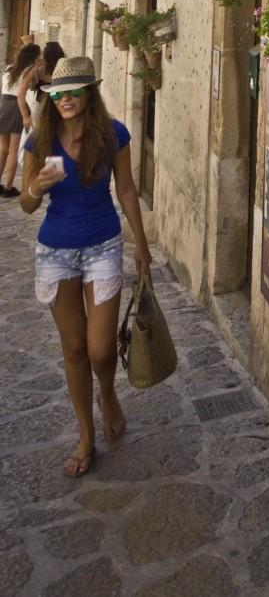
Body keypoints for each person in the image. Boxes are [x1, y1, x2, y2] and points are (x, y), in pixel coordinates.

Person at [21, 55, 152, 478]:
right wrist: (36, 187)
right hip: (55, 252)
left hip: (102, 245)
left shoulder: (113, 135)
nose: (65, 99)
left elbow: (127, 189)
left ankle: (107, 394)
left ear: (89, 93)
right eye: (57, 93)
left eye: (73, 91)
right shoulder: (39, 140)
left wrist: (140, 243)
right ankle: (85, 433)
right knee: (75, 348)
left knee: (101, 348)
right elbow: (26, 205)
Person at [0, 42, 40, 199]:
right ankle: (8, 187)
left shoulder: (8, 68)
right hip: (16, 108)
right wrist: (25, 117)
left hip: (3, 105)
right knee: (13, 151)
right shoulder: (29, 70)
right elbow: (21, 96)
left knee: (3, 149)